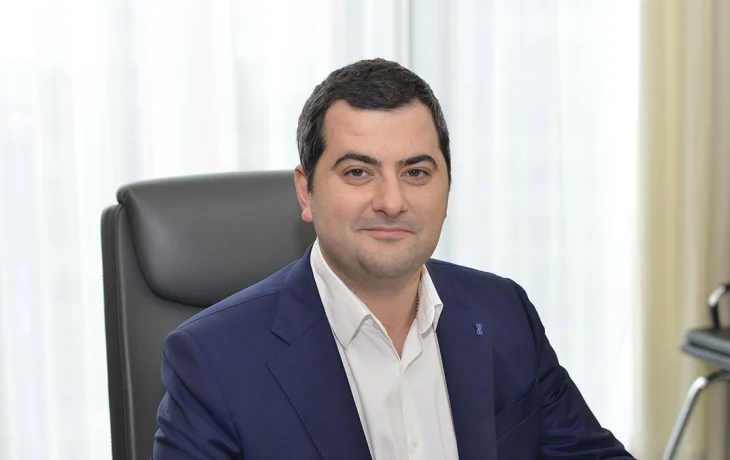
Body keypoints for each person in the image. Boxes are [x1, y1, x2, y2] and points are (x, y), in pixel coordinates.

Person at [153, 58, 634, 459]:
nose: (391, 201)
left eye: (416, 172)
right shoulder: (213, 360)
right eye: (358, 172)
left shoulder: (504, 312)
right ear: (306, 190)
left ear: (447, 186)